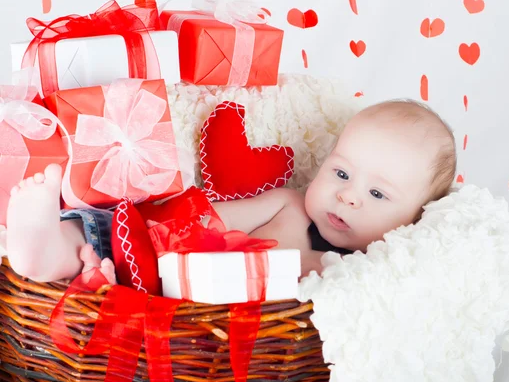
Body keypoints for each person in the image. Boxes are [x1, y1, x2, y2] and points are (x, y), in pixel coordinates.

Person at [5, 99, 456, 283]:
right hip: (162, 255)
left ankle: (87, 273)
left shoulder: (371, 272)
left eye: (378, 196)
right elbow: (210, 220)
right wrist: (164, 242)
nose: (349, 196)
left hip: (194, 310)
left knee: (111, 279)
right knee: (100, 238)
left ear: (416, 219)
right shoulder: (293, 204)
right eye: (341, 174)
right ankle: (45, 245)